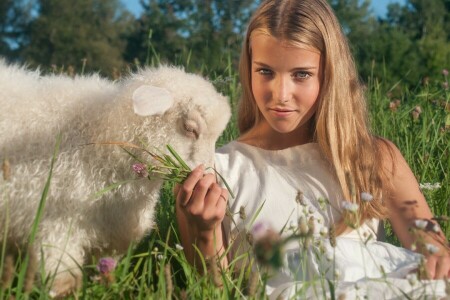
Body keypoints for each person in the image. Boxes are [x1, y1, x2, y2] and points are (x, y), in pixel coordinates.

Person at [175, 0, 450, 298]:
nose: (280, 95)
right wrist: (204, 231)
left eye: (301, 75)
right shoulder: (214, 173)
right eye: (265, 71)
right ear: (248, 69)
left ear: (330, 74)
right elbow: (213, 292)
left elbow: (437, 259)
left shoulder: (375, 157)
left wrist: (437, 256)